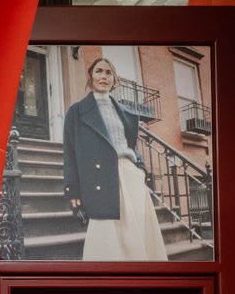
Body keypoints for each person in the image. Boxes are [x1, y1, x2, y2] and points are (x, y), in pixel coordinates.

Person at [61, 55, 167, 262]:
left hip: (130, 175)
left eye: (109, 73)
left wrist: (141, 169)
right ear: (90, 77)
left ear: (114, 79)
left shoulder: (125, 112)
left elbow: (131, 145)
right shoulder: (76, 112)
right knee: (106, 235)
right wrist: (72, 189)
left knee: (137, 232)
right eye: (99, 71)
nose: (104, 76)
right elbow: (69, 152)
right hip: (100, 178)